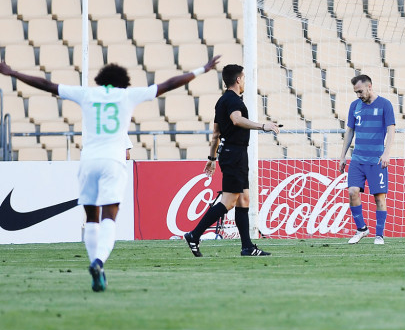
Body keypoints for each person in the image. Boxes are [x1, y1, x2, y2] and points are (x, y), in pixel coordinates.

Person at [0, 56, 219, 291]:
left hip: (89, 161)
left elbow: (47, 85)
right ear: (123, 82)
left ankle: (97, 268)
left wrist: (13, 73)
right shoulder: (127, 96)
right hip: (113, 162)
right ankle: (98, 262)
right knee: (109, 218)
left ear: (100, 80)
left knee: (91, 218)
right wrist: (202, 69)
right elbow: (168, 84)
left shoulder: (87, 94)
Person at [184, 64, 280, 257]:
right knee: (228, 202)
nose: (244, 82)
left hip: (233, 154)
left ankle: (247, 247)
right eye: (243, 78)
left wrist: (212, 158)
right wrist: (263, 126)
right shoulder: (233, 100)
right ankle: (194, 235)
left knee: (244, 199)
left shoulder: (222, 101)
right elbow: (236, 119)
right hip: (234, 154)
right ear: (238, 79)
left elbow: (215, 134)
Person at [339, 75, 396, 245]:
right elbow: (350, 131)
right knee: (352, 191)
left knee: (379, 198)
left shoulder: (385, 104)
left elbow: (391, 130)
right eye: (356, 92)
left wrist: (386, 153)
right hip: (357, 159)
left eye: (360, 91)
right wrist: (342, 156)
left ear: (369, 86)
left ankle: (379, 235)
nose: (358, 95)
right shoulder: (354, 106)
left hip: (376, 160)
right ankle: (362, 229)